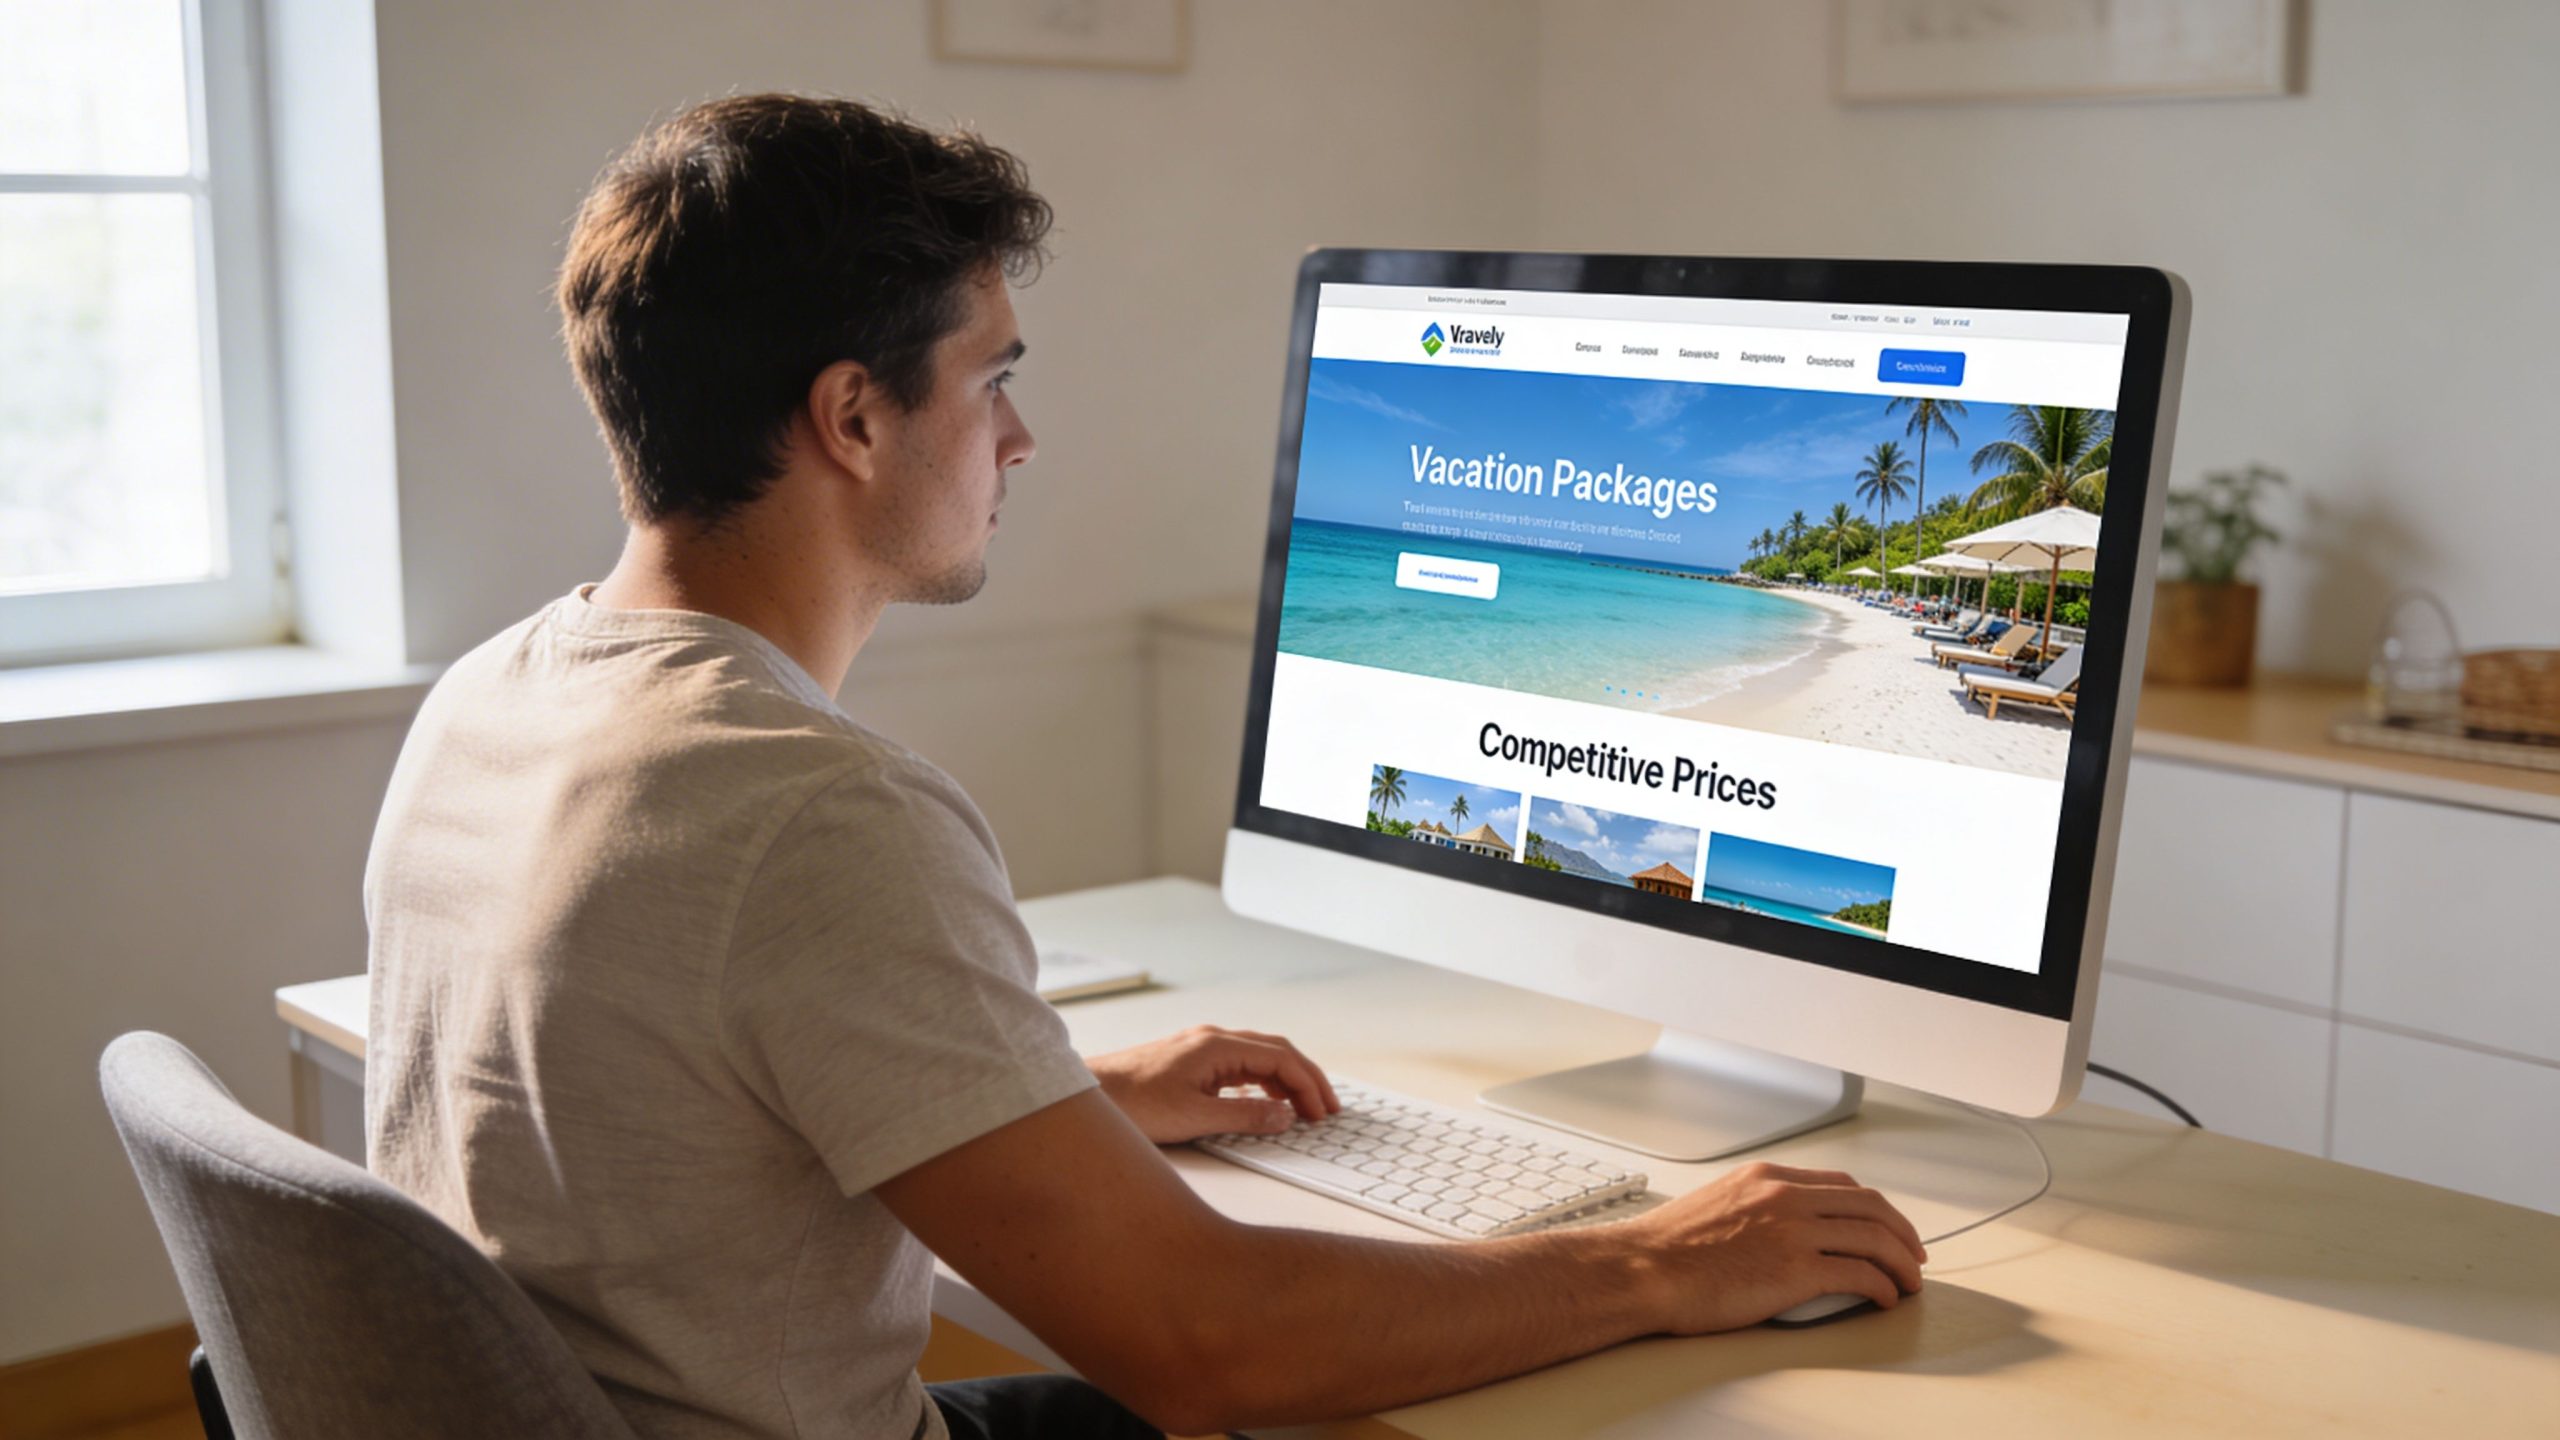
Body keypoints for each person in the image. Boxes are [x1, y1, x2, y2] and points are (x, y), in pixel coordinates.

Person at [363, 94, 1926, 1440]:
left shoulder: (500, 693)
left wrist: (1052, 1099)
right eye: (992, 379)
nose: (1021, 438)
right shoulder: (812, 811)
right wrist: (1659, 1260)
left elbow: (659, 1097)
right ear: (851, 418)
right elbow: (1208, 1340)